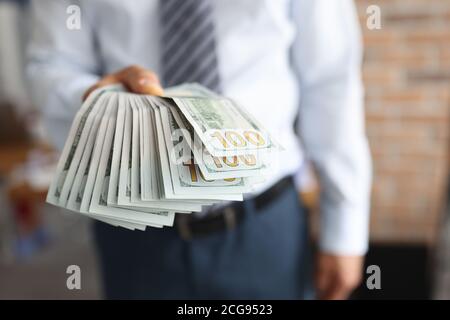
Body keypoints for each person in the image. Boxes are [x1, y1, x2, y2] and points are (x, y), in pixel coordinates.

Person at [27, 0, 372, 299]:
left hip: (265, 226)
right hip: (135, 229)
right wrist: (94, 99)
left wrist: (345, 225)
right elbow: (50, 64)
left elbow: (329, 80)